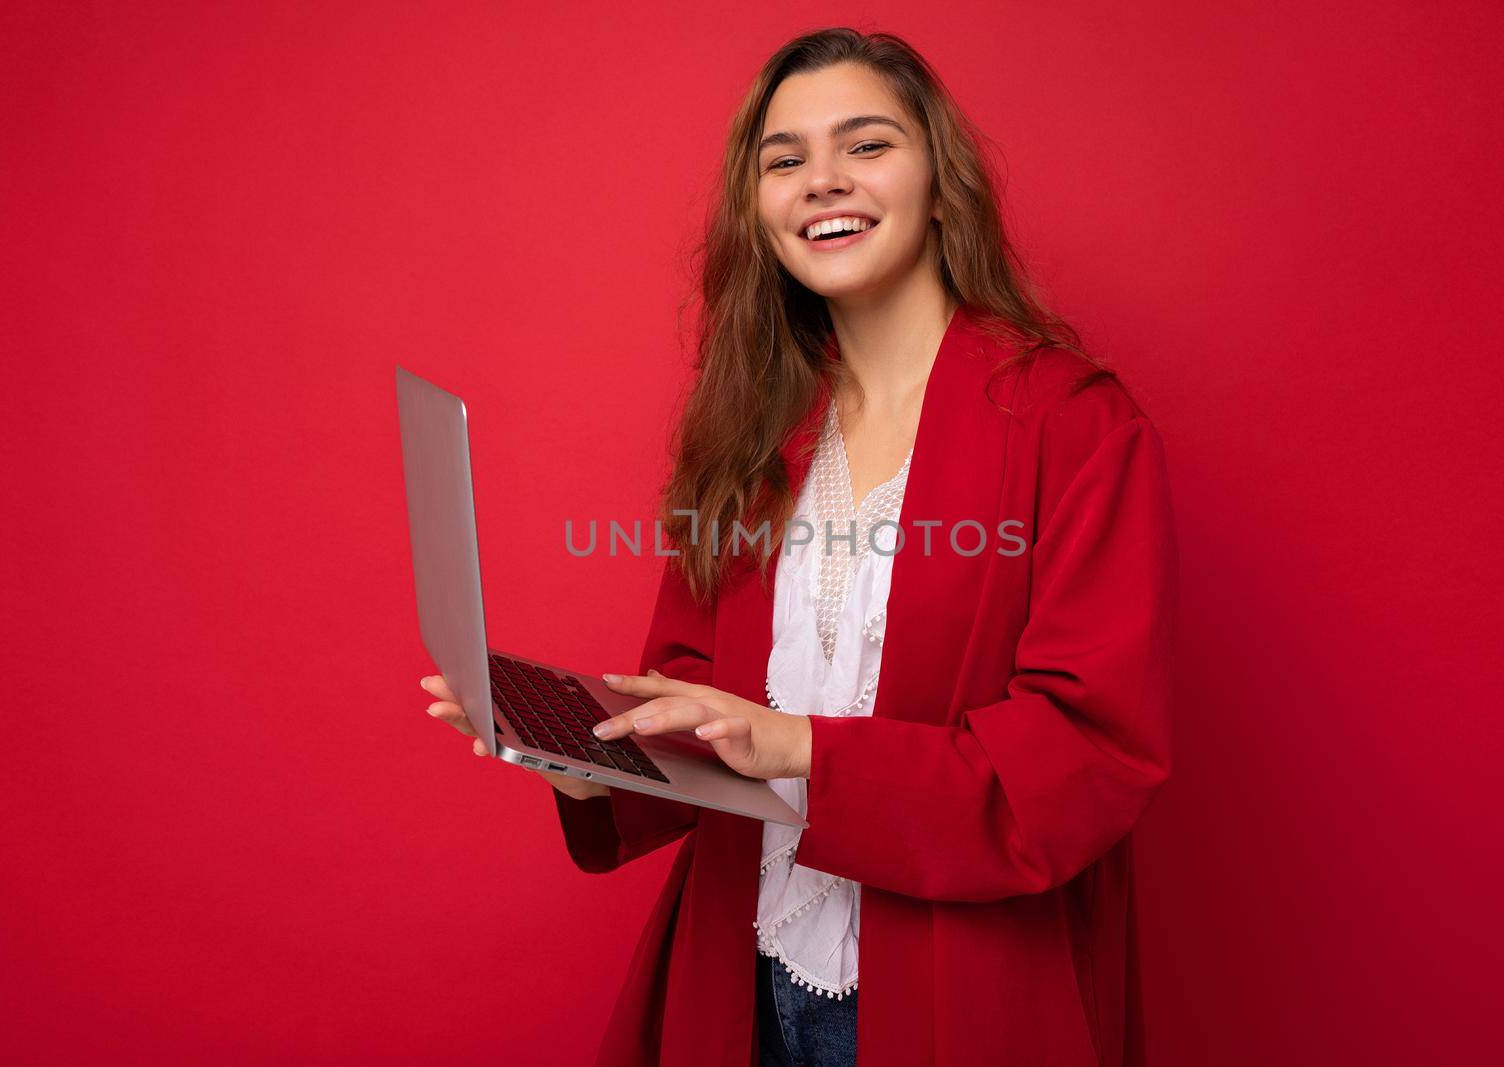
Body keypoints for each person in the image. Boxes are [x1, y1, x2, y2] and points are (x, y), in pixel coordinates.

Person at [421, 26, 1178, 1067]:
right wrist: (579, 759)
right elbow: (695, 690)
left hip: (954, 992)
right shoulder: (753, 428)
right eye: (784, 160)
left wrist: (798, 744)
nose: (822, 180)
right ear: (758, 208)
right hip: (746, 974)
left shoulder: (1072, 423)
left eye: (865, 145)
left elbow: (1087, 751)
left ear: (940, 180)